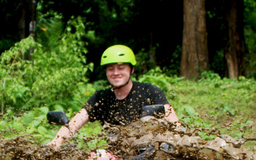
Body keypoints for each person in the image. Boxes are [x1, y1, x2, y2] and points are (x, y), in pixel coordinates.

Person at [49, 44, 180, 148]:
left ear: (132, 69)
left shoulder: (149, 92)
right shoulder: (101, 98)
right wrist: (56, 142)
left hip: (147, 156)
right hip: (115, 156)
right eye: (111, 68)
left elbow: (174, 123)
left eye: (121, 67)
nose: (116, 73)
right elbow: (75, 123)